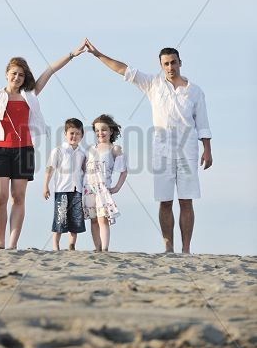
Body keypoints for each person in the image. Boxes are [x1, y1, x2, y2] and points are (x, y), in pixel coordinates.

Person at [85, 39, 212, 254]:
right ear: (161, 66)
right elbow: (123, 69)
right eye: (166, 64)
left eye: (173, 63)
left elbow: (203, 123)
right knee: (164, 201)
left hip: (188, 151)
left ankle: (186, 249)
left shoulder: (195, 91)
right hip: (161, 151)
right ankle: (168, 247)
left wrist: (207, 150)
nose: (170, 67)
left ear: (180, 63)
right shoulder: (153, 84)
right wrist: (98, 55)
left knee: (186, 201)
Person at [0, 42, 86, 249]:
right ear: (7, 73)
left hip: (24, 151)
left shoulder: (30, 96)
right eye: (14, 73)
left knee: (18, 197)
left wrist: (72, 54)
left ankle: (12, 243)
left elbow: (50, 70)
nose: (17, 78)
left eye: (21, 75)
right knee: (0, 197)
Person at [83, 114, 128, 252]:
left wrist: (117, 187)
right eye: (97, 131)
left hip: (103, 188)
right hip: (88, 188)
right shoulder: (91, 149)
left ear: (111, 131)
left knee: (103, 218)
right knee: (94, 219)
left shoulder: (115, 149)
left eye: (103, 130)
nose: (100, 133)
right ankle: (97, 248)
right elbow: (84, 167)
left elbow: (123, 171)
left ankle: (104, 248)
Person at [43, 118, 86, 251]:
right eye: (71, 133)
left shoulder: (82, 153)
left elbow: (84, 171)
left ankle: (72, 245)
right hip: (62, 189)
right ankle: (56, 245)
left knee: (76, 219)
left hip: (77, 189)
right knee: (60, 218)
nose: (74, 136)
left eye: (77, 133)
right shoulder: (59, 151)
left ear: (82, 135)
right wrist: (46, 185)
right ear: (65, 134)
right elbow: (50, 168)